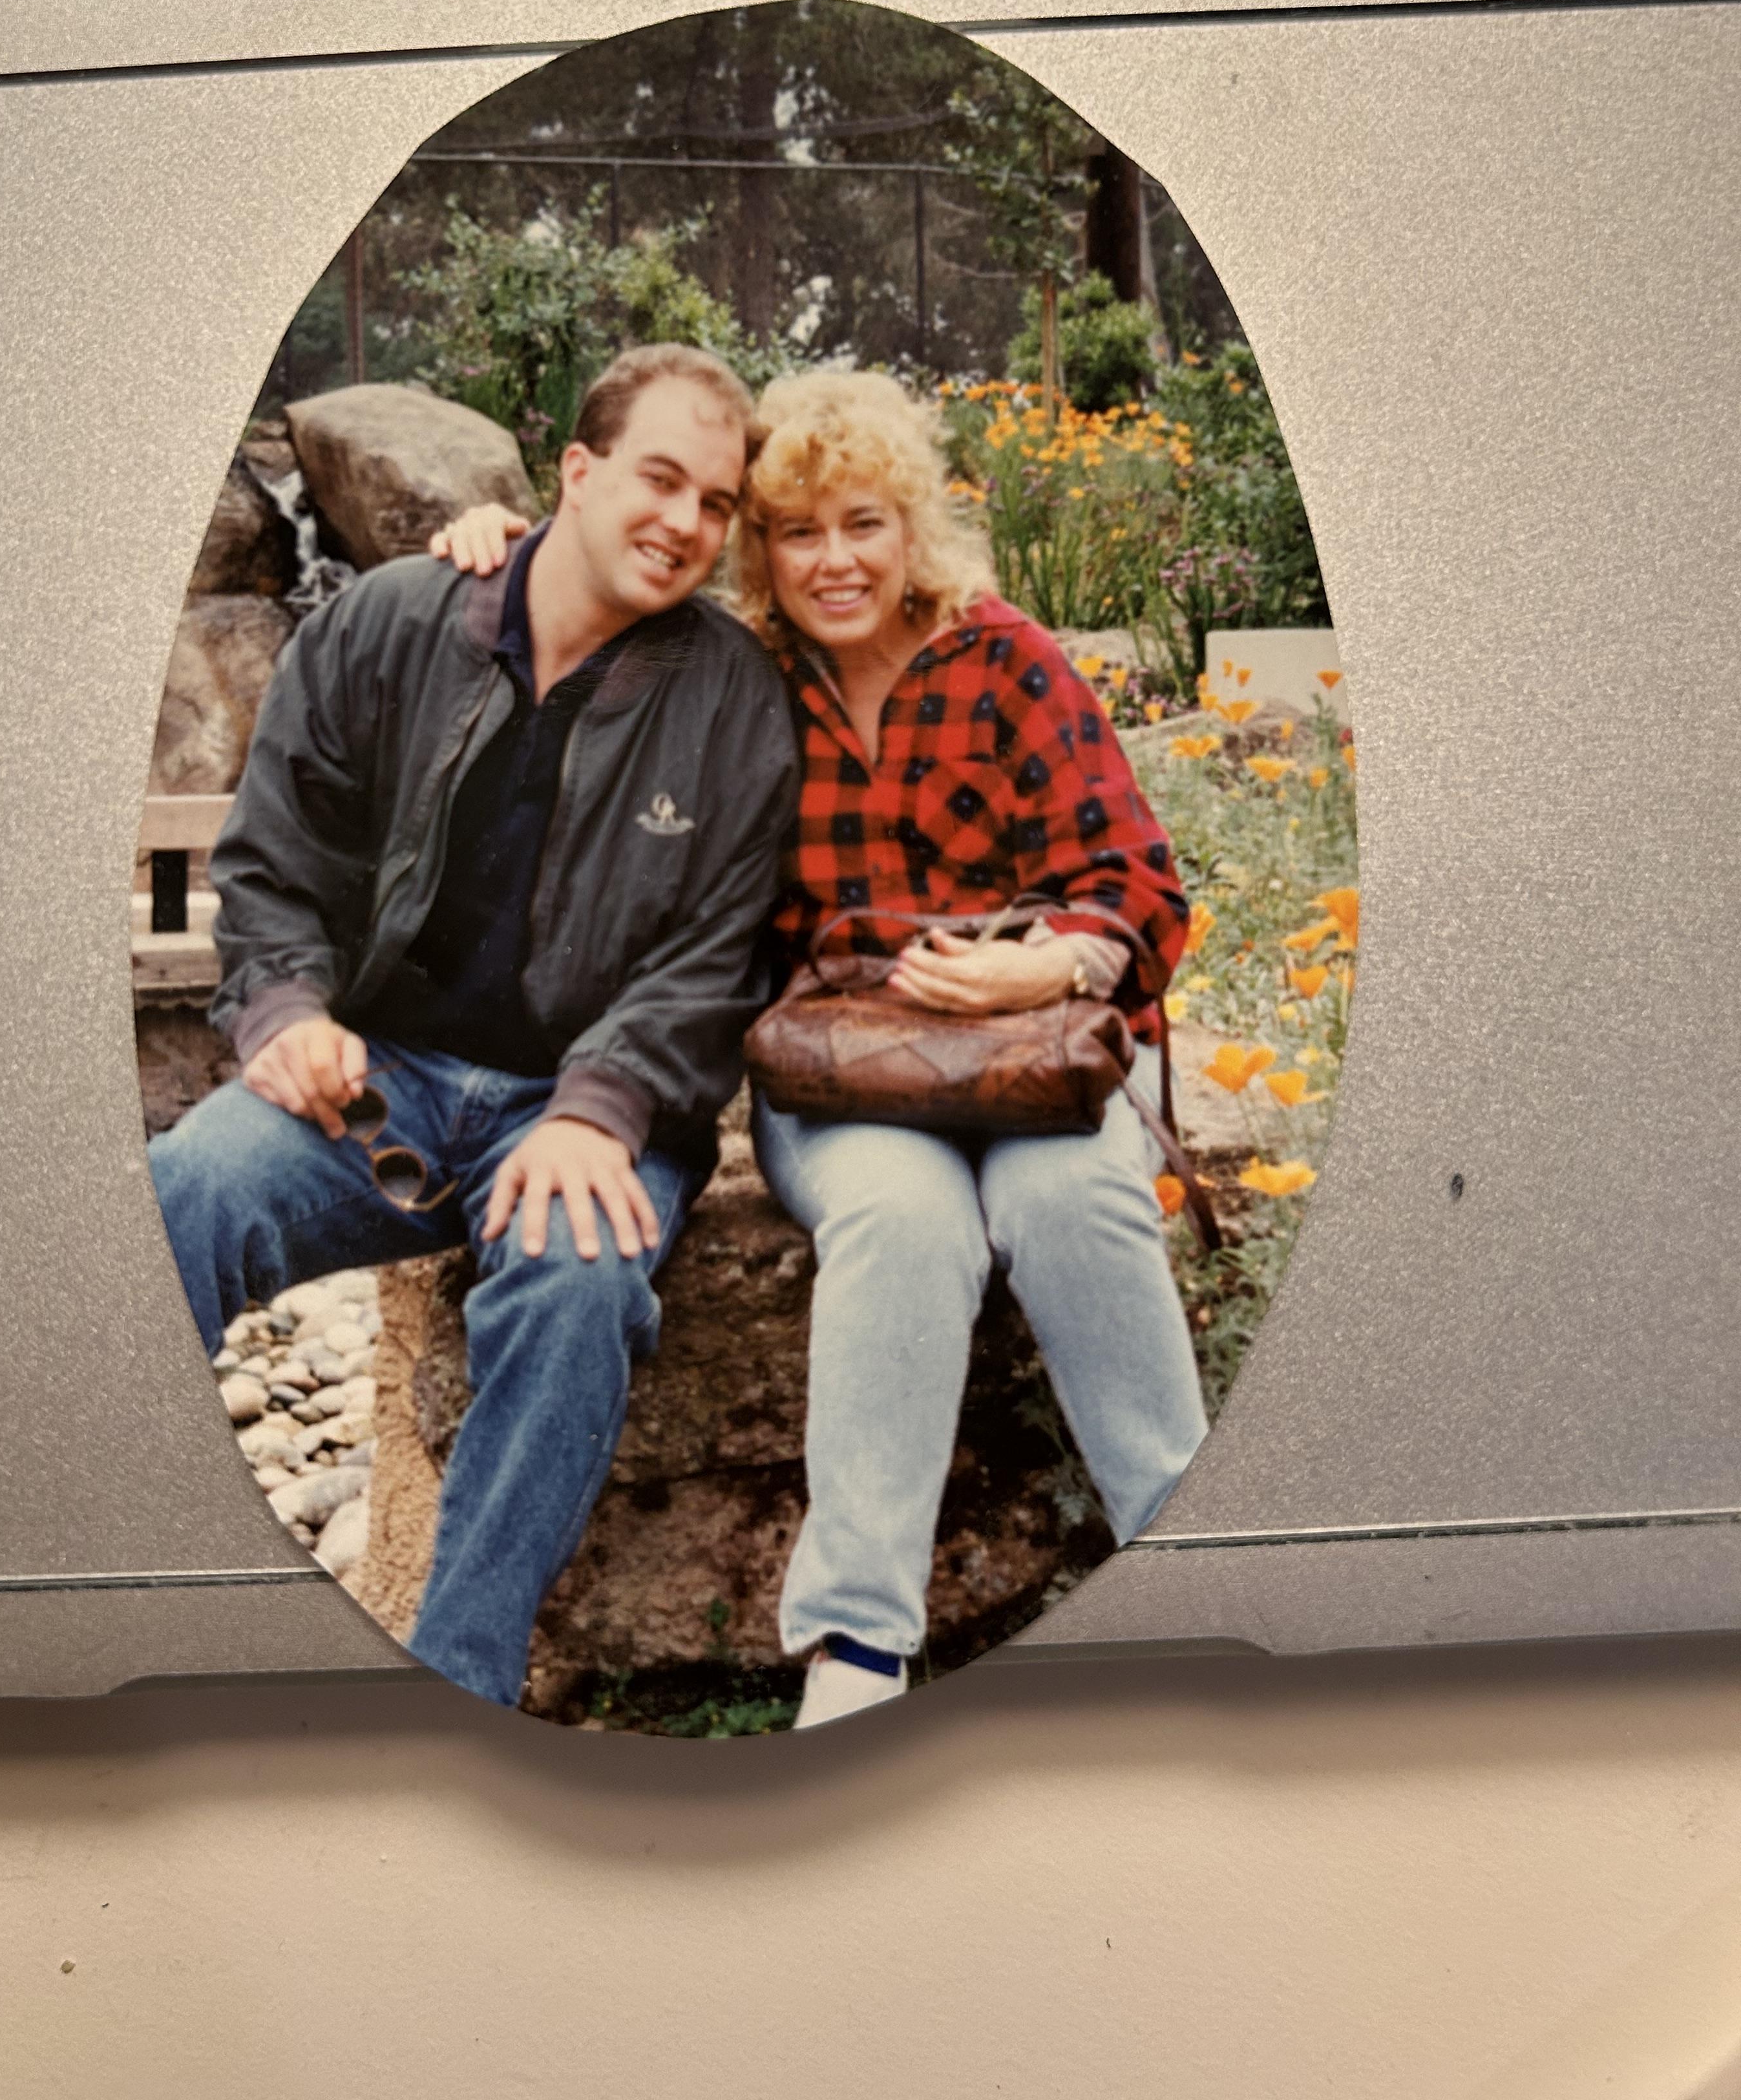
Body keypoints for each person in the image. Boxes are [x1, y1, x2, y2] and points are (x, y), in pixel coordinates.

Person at [438, 370, 1208, 1733]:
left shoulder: (1005, 660)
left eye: (864, 524)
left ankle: (1201, 1577)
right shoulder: (737, 679)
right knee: (902, 1222)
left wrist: (1054, 958)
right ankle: (857, 1649)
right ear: (762, 548)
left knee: (1074, 1204)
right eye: (798, 532)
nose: (834, 561)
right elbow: (579, 598)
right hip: (845, 1079)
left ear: (912, 528)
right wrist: (497, 539)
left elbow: (1142, 882)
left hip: (1033, 1058)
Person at [149, 346, 801, 1710]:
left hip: (587, 1106)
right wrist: (285, 1012)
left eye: (716, 503)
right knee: (183, 1191)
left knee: (578, 1281)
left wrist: (600, 1108)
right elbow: (275, 862)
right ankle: (85, 1582)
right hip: (373, 1087)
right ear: (576, 472)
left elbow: (719, 954)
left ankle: (455, 1699)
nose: (685, 522)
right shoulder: (391, 621)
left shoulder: (733, 695)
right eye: (660, 480)